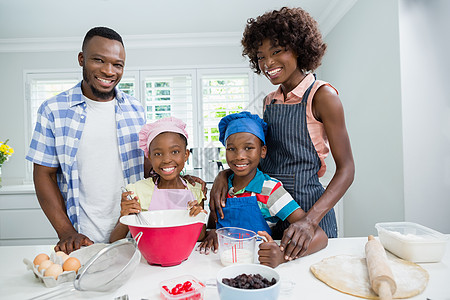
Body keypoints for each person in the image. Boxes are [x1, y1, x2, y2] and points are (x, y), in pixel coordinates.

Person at [209, 7, 355, 262]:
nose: (268, 64)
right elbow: (261, 156)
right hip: (271, 212)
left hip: (310, 217)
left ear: (299, 48)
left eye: (277, 51)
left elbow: (347, 170)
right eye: (261, 56)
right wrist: (225, 175)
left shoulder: (323, 97)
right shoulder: (270, 102)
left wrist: (309, 222)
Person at [26, 27, 151, 254]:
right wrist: (66, 232)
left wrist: (183, 180)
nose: (108, 71)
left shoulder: (136, 109)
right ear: (81, 59)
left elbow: (148, 167)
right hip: (81, 239)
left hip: (134, 234)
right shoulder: (53, 110)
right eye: (99, 60)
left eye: (117, 64)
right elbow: (43, 174)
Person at [198, 112, 328, 268]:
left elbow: (320, 236)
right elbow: (214, 222)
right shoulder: (222, 186)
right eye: (232, 149)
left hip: (258, 266)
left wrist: (282, 256)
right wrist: (212, 231)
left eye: (248, 148)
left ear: (263, 151)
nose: (239, 156)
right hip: (220, 264)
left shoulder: (270, 190)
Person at [110, 117, 206, 243]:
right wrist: (125, 216)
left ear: (186, 154)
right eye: (158, 154)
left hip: (184, 258)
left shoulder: (196, 191)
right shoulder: (137, 192)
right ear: (149, 157)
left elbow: (200, 237)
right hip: (147, 258)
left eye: (175, 151)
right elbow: (114, 240)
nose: (166, 159)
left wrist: (197, 217)